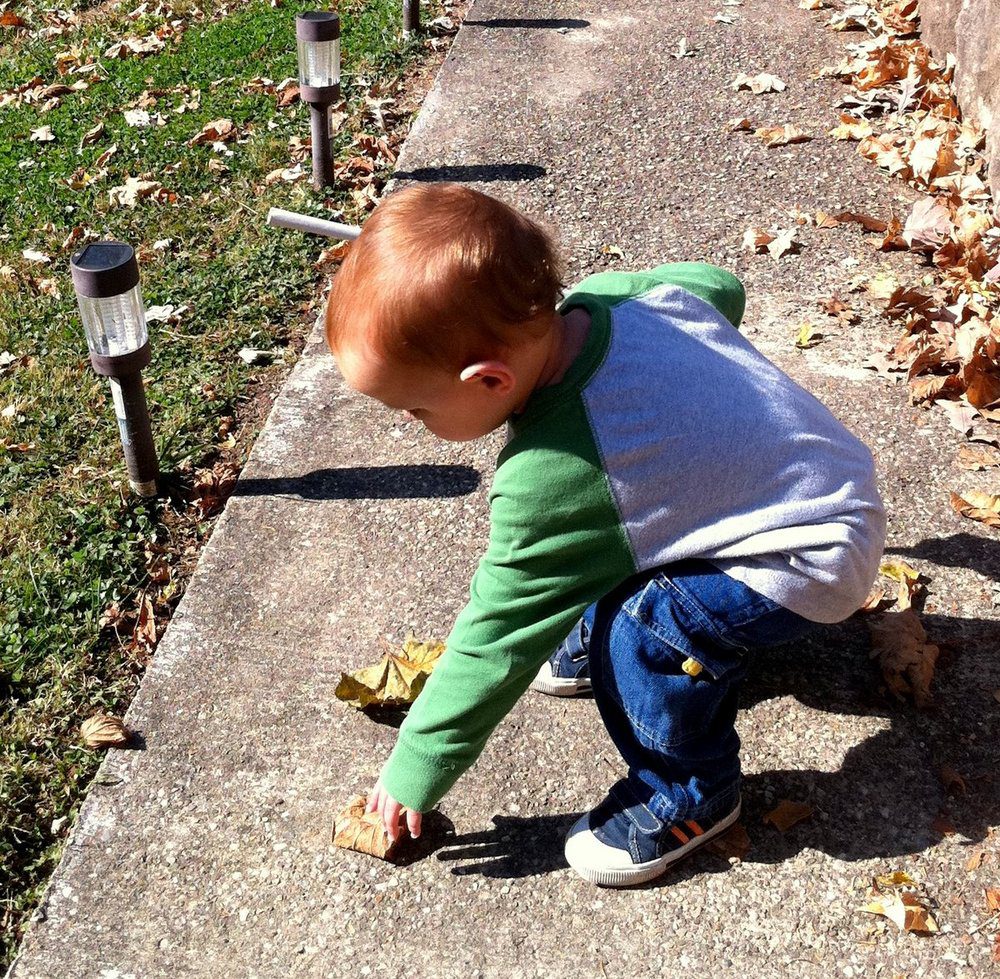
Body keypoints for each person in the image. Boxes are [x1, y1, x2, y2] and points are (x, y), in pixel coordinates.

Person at [324, 182, 886, 887]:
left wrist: (417, 765)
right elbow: (719, 286)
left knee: (641, 632)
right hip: (832, 477)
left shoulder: (554, 476)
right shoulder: (615, 298)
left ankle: (687, 789)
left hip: (810, 557)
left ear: (491, 380)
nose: (411, 423)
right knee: (627, 512)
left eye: (415, 408)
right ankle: (662, 632)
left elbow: (499, 632)